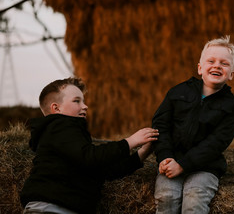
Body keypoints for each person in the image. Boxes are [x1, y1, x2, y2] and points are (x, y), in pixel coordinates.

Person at [20, 77, 159, 214]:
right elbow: (91, 156)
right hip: (50, 208)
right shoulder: (59, 127)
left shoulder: (69, 140)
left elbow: (103, 170)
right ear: (56, 108)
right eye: (76, 101)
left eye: (84, 101)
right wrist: (130, 141)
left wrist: (142, 154)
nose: (85, 106)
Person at [152, 36, 234, 213]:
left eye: (224, 64)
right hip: (171, 160)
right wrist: (164, 156)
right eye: (211, 61)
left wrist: (184, 164)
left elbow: (216, 143)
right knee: (167, 197)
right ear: (200, 68)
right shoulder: (178, 92)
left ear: (231, 74)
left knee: (194, 200)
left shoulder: (231, 107)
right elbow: (161, 125)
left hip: (205, 167)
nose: (217, 66)